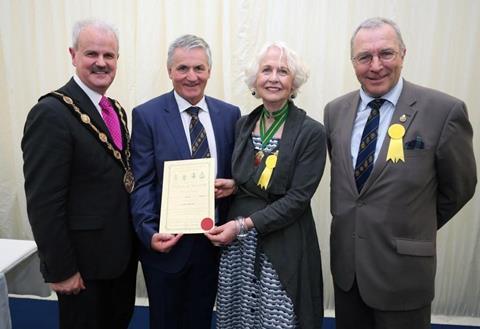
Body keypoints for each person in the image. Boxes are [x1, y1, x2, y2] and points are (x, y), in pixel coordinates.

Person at [323, 17, 476, 329]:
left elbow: (460, 187)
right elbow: (350, 187)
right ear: (353, 62)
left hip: (403, 272)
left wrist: (413, 223)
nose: (375, 65)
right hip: (348, 271)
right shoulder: (334, 111)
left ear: (403, 54)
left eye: (386, 53)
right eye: (364, 57)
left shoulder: (444, 111)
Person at [22, 19, 137, 329]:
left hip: (120, 260)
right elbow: (44, 201)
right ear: (73, 55)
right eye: (91, 54)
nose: (101, 63)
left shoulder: (113, 109)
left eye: (109, 56)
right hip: (82, 269)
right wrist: (61, 269)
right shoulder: (51, 113)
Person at [206, 42, 326, 329]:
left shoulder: (312, 132)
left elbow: (297, 198)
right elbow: (258, 178)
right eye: (266, 70)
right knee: (237, 318)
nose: (273, 78)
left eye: (283, 71)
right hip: (240, 246)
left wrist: (243, 225)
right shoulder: (243, 124)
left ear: (293, 82)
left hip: (282, 242)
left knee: (277, 319)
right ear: (255, 80)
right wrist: (235, 186)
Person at [130, 34, 240, 329]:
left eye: (199, 68)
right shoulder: (147, 115)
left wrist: (234, 185)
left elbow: (238, 177)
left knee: (201, 320)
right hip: (167, 247)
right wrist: (148, 232)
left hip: (213, 245)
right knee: (165, 322)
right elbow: (141, 182)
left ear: (209, 71)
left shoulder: (230, 115)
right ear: (169, 71)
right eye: (182, 68)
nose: (191, 77)